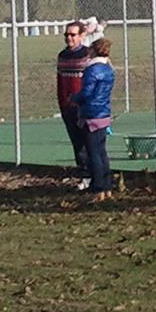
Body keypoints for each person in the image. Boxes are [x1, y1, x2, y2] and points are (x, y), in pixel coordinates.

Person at [74, 35, 117, 199]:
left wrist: (74, 98)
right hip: (103, 113)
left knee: (93, 154)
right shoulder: (108, 69)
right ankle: (107, 187)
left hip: (91, 114)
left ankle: (98, 188)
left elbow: (87, 93)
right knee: (102, 152)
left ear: (93, 50)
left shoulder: (92, 70)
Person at [55, 20, 93, 188]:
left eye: (72, 34)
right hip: (67, 107)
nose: (69, 38)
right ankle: (84, 175)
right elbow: (60, 82)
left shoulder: (88, 55)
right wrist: (63, 103)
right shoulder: (62, 56)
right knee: (77, 143)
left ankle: (96, 176)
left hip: (84, 107)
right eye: (66, 35)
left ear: (82, 35)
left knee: (89, 142)